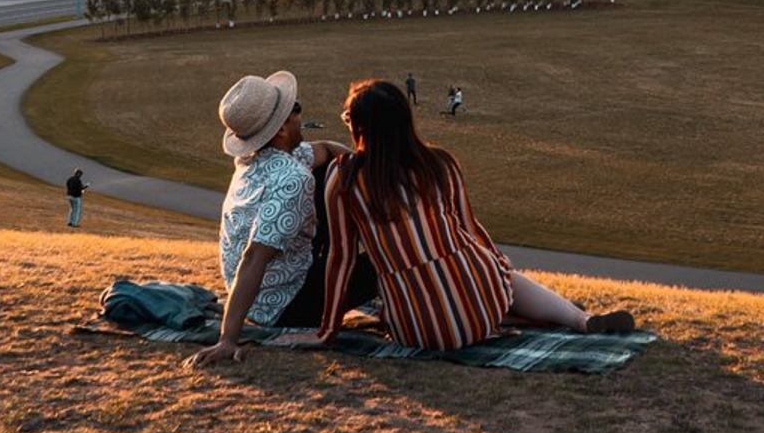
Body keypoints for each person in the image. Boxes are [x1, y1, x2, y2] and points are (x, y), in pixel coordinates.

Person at [316, 79, 632, 351]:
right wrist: (498, 268)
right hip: (482, 310)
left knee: (430, 294)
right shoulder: (438, 164)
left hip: (415, 331)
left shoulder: (344, 179)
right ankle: (578, 319)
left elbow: (341, 258)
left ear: (359, 127)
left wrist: (327, 331)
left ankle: (495, 310)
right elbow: (470, 231)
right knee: (497, 273)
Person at [188, 71, 378, 368]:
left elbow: (327, 150)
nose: (301, 115)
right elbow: (253, 258)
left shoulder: (253, 159)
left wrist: (365, 171)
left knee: (330, 172)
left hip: (268, 290)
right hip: (285, 305)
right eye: (295, 110)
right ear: (281, 130)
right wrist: (228, 339)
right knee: (382, 264)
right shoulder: (293, 179)